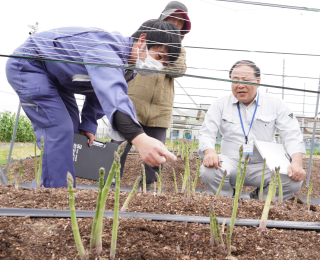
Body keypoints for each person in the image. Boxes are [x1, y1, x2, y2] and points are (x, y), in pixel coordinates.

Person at [6, 19, 181, 188]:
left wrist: (89, 123)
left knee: (74, 132)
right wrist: (140, 139)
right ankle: (57, 195)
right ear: (142, 40)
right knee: (59, 129)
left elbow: (98, 92)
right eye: (159, 56)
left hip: (57, 80)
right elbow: (112, 94)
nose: (158, 66)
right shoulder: (108, 50)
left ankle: (56, 188)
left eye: (164, 63)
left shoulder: (128, 69)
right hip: (31, 64)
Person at [198, 60, 306, 201]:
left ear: (258, 80)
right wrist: (210, 152)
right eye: (235, 80)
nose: (240, 85)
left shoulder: (276, 104)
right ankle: (228, 198)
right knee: (209, 170)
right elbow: (207, 132)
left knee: (292, 181)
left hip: (265, 164)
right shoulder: (220, 104)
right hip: (232, 161)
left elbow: (292, 134)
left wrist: (296, 163)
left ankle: (261, 199)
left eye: (246, 80)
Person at [111, 1, 191, 189]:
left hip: (160, 110)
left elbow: (179, 70)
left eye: (180, 22)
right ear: (164, 17)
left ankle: (148, 189)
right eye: (173, 18)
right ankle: (112, 182)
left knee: (155, 154)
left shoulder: (179, 48)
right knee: (118, 147)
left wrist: (173, 46)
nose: (175, 23)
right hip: (133, 102)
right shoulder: (148, 34)